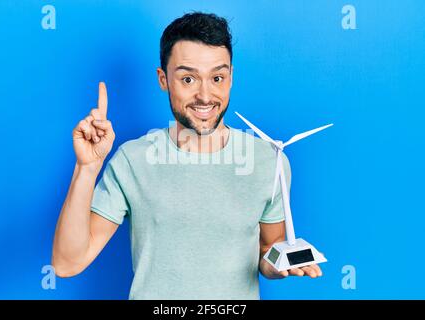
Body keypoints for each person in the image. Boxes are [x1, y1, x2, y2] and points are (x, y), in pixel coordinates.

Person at [52, 12, 322, 300]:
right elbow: (68, 263)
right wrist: (87, 167)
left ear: (231, 77)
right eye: (188, 79)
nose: (205, 95)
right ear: (163, 79)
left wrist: (281, 265)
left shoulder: (269, 161)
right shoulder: (132, 161)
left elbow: (269, 249)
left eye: (217, 77)